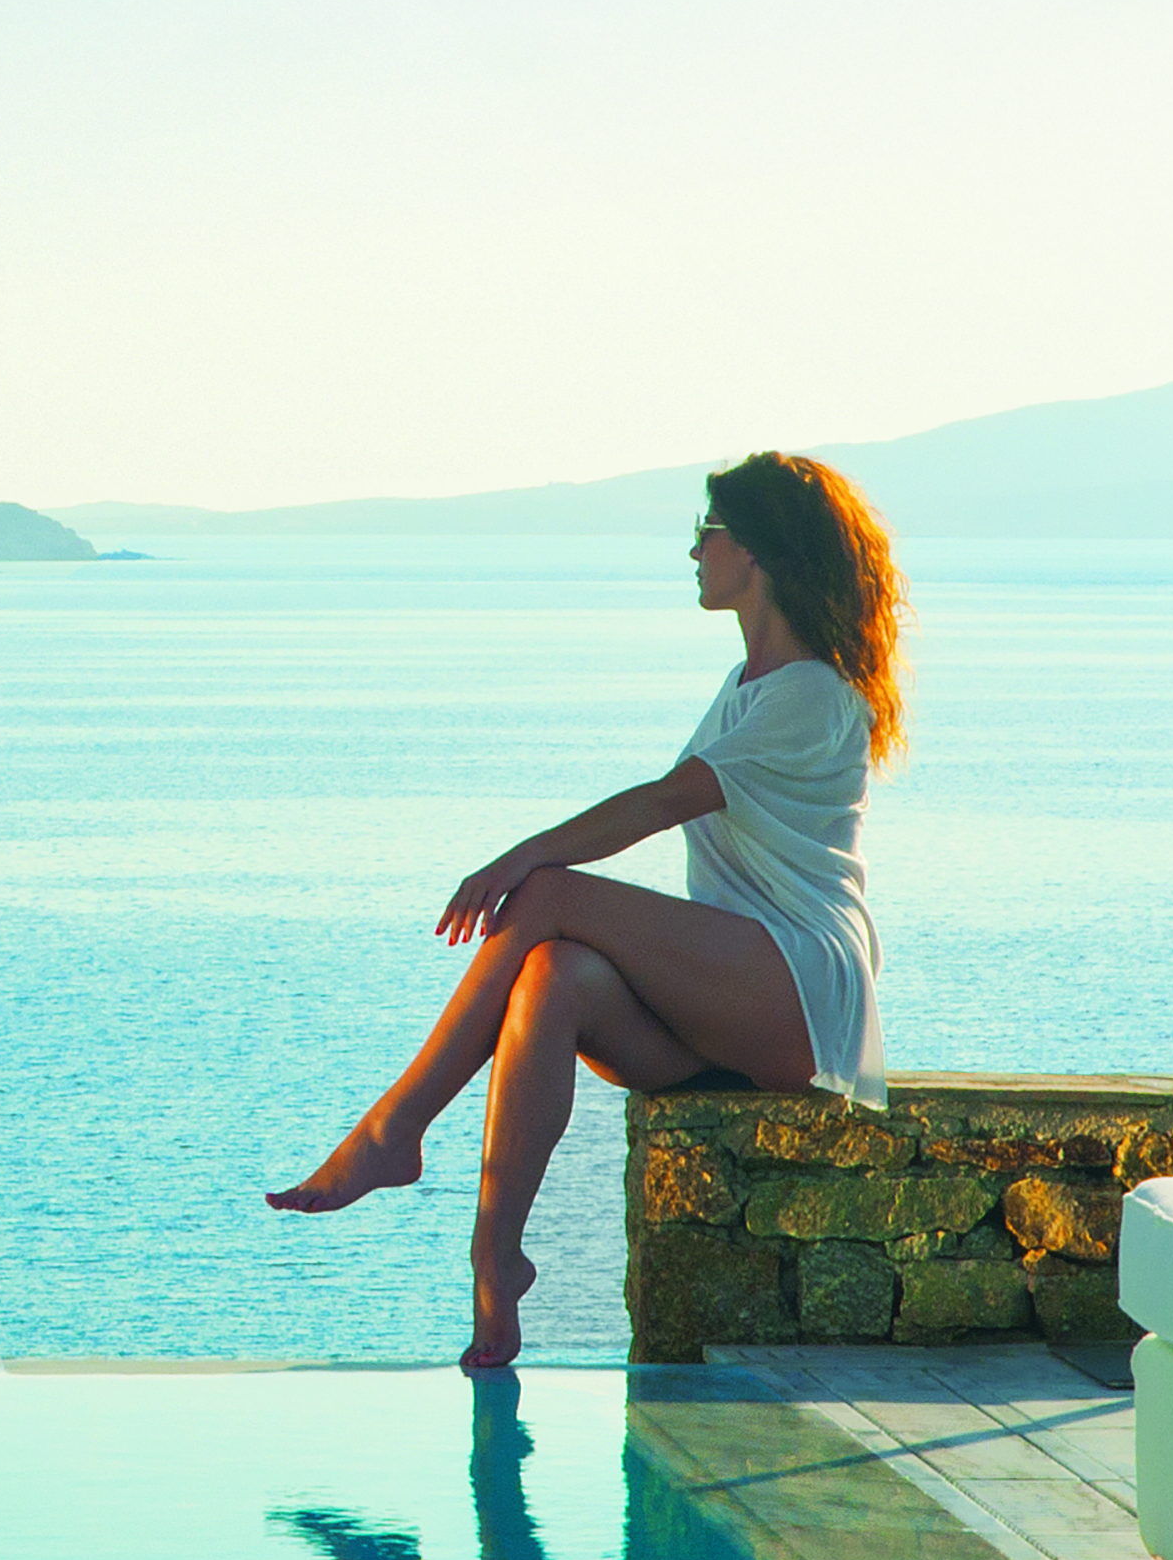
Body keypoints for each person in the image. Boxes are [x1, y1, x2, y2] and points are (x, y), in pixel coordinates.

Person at [269, 449, 903, 1367]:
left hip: (801, 992)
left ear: (756, 552)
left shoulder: (812, 693)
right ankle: (496, 1254)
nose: (694, 552)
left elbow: (660, 802)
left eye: (707, 533)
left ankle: (393, 1130)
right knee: (552, 974)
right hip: (727, 1007)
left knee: (551, 894)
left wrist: (521, 857)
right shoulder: (745, 689)